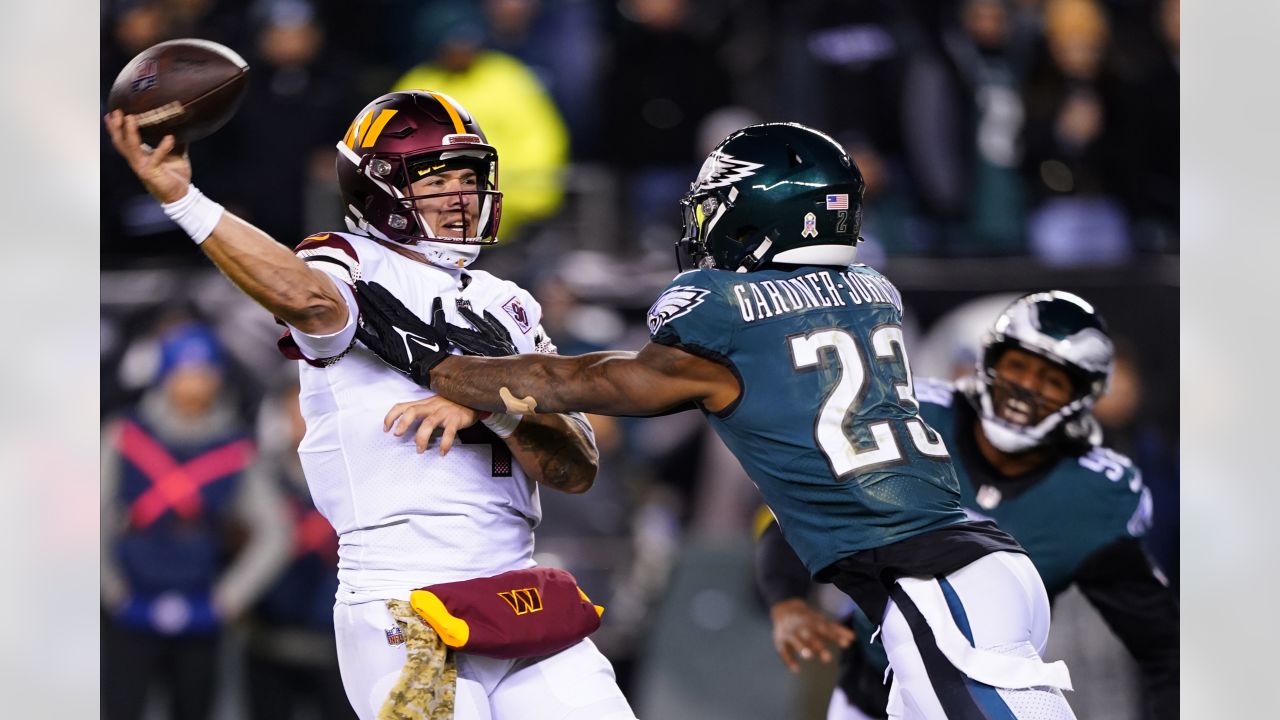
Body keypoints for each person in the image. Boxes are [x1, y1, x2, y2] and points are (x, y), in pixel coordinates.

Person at [355, 122, 1079, 718]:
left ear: (760, 211)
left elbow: (582, 380)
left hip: (934, 587)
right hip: (964, 572)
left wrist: (440, 367)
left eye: (719, 201)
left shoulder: (726, 311)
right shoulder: (871, 288)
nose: (705, 218)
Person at [104, 89, 637, 720]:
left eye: (470, 177)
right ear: (379, 188)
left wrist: (494, 407)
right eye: (439, 179)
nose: (462, 196)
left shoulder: (508, 302)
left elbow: (576, 469)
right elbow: (307, 298)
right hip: (405, 598)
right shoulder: (352, 263)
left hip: (517, 589)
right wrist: (185, 202)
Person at [756, 291, 1179, 719]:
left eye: (1052, 379)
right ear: (989, 360)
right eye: (1019, 365)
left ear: (1082, 397)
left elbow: (1164, 646)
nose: (1027, 389)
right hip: (871, 693)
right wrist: (786, 598)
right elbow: (802, 514)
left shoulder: (1094, 497)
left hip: (991, 703)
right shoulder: (910, 420)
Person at [101, 322, 292, 720]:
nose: (194, 385)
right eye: (185, 373)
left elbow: (276, 532)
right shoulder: (126, 435)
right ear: (166, 374)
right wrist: (114, 592)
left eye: (203, 374)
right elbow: (92, 519)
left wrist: (228, 599)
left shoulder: (235, 448)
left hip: (200, 606)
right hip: (130, 606)